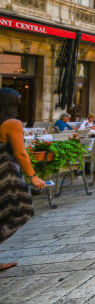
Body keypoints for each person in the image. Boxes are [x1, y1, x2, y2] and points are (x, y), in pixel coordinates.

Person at [0, 88, 46, 271]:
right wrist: (33, 176)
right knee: (20, 208)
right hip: (5, 173)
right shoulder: (12, 123)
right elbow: (20, 153)